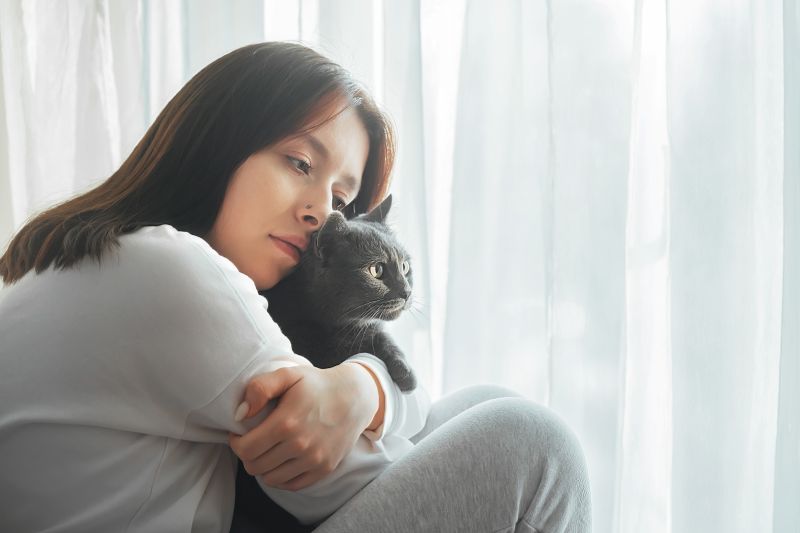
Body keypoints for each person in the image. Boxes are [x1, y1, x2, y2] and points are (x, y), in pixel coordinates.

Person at [0, 42, 591, 532]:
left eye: (341, 199)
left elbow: (411, 428)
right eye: (300, 164)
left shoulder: (95, 258)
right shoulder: (173, 277)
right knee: (534, 445)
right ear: (220, 141)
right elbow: (354, 479)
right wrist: (365, 391)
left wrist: (365, 388)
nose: (321, 215)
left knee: (479, 406)